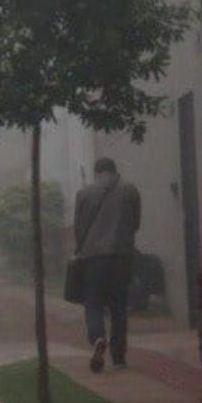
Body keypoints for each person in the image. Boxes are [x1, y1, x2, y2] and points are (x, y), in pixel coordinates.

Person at [73, 157, 141, 373]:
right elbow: (135, 222)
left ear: (96, 172)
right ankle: (119, 358)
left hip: (93, 257)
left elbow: (79, 228)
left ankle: (98, 338)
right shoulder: (130, 191)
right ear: (114, 170)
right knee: (119, 307)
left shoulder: (84, 193)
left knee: (93, 302)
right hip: (122, 256)